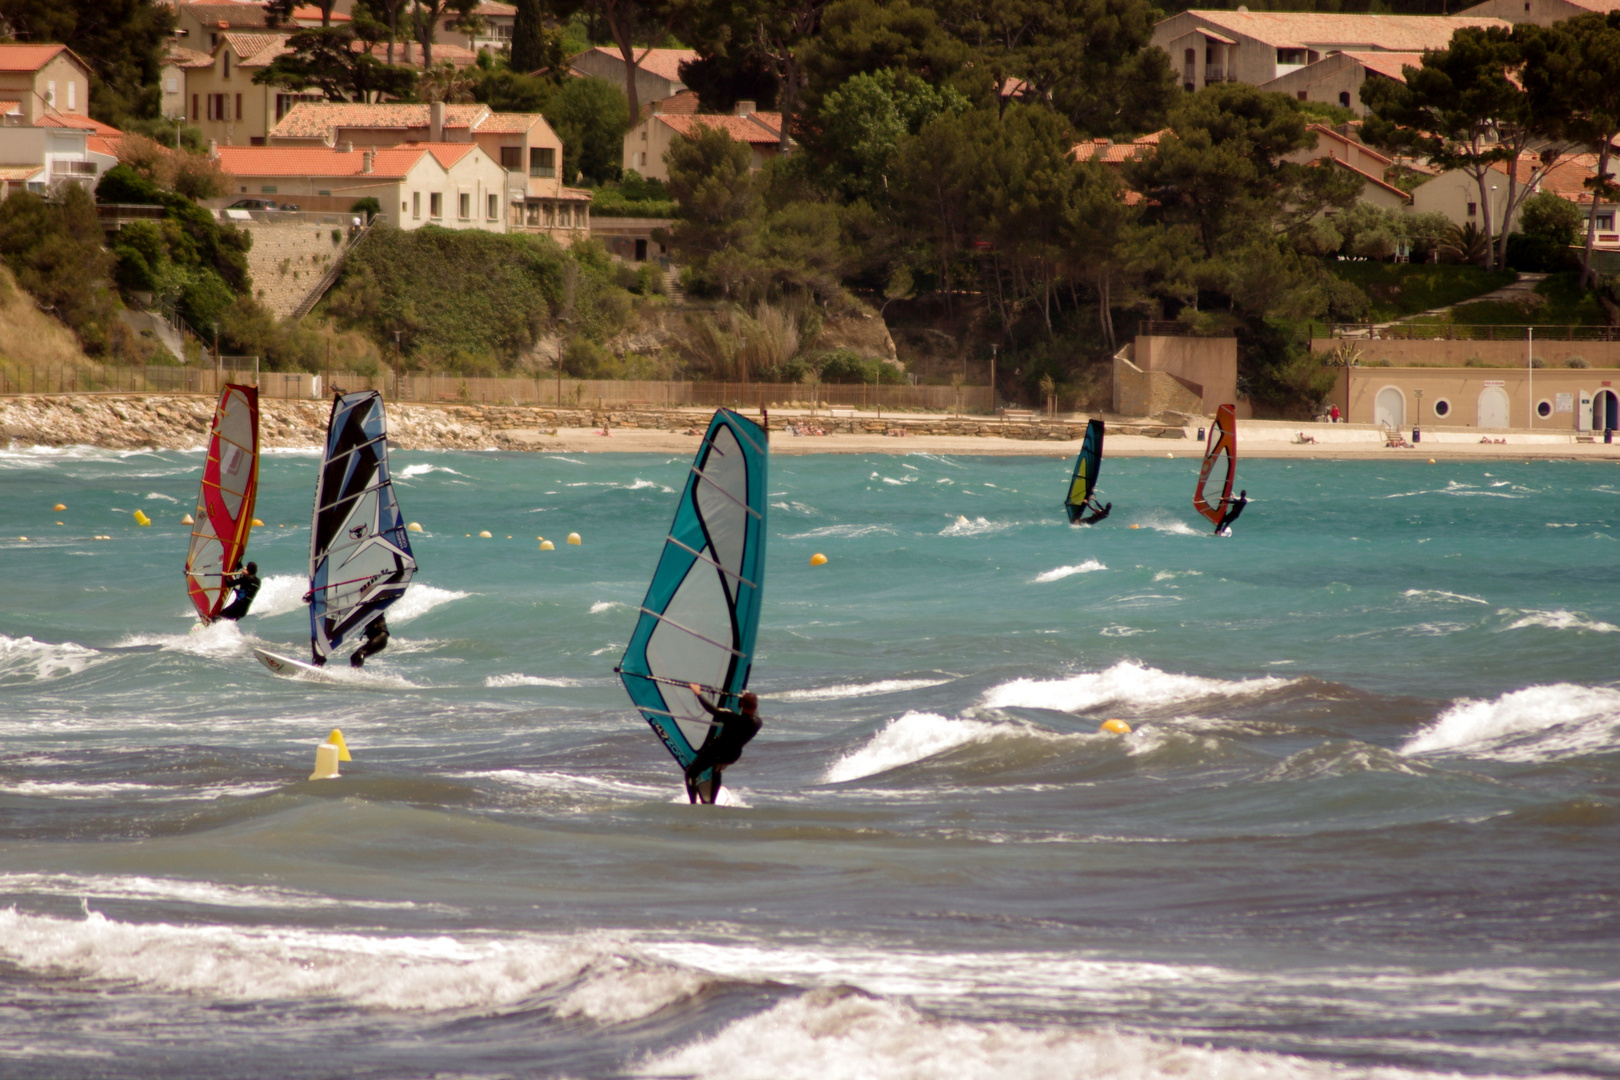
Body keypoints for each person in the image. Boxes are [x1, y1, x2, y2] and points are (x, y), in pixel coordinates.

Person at [684, 682, 762, 804]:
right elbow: (753, 711)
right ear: (756, 706)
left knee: (691, 774)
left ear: (740, 704)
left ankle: (693, 804)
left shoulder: (731, 718)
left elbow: (712, 709)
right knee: (717, 769)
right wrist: (746, 698)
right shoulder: (757, 723)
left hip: (715, 752)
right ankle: (712, 802)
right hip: (731, 756)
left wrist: (698, 693)